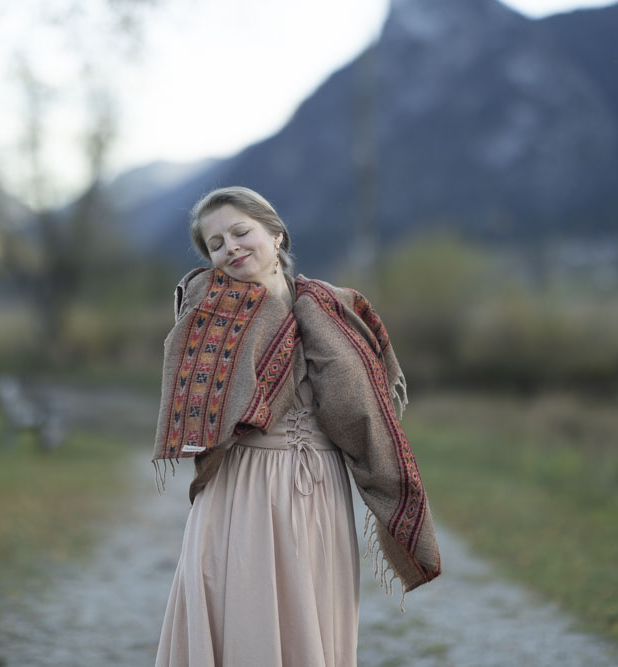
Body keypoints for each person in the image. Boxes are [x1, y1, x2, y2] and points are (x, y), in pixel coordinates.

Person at [152, 186, 440, 667]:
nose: (231, 248)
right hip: (241, 487)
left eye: (240, 232)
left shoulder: (334, 309)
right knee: (240, 611)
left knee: (312, 616)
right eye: (216, 244)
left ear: (276, 235)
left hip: (320, 489)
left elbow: (365, 407)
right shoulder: (207, 312)